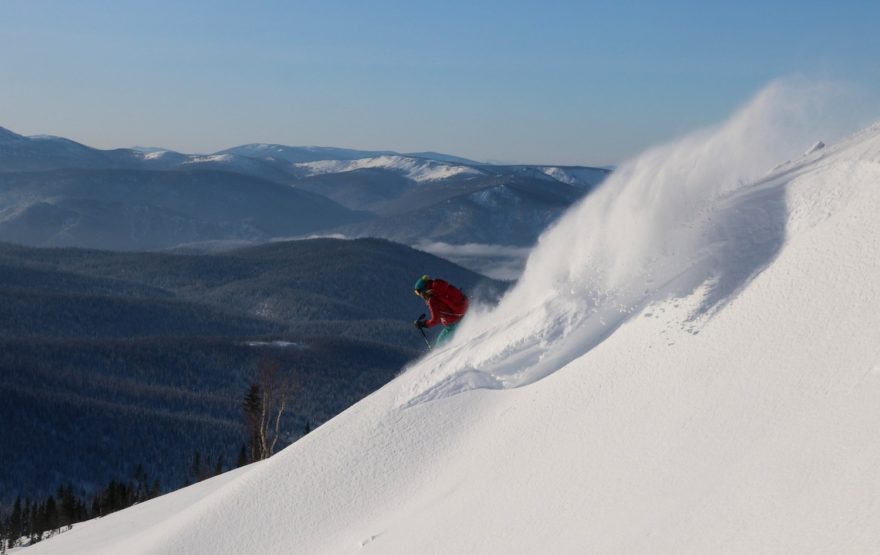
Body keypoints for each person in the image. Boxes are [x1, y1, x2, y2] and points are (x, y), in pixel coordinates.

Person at [413, 274, 469, 347]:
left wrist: (423, 324)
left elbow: (436, 320)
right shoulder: (441, 287)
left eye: (418, 293)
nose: (419, 295)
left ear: (423, 290)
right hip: (465, 315)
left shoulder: (432, 299)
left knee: (440, 346)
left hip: (454, 324)